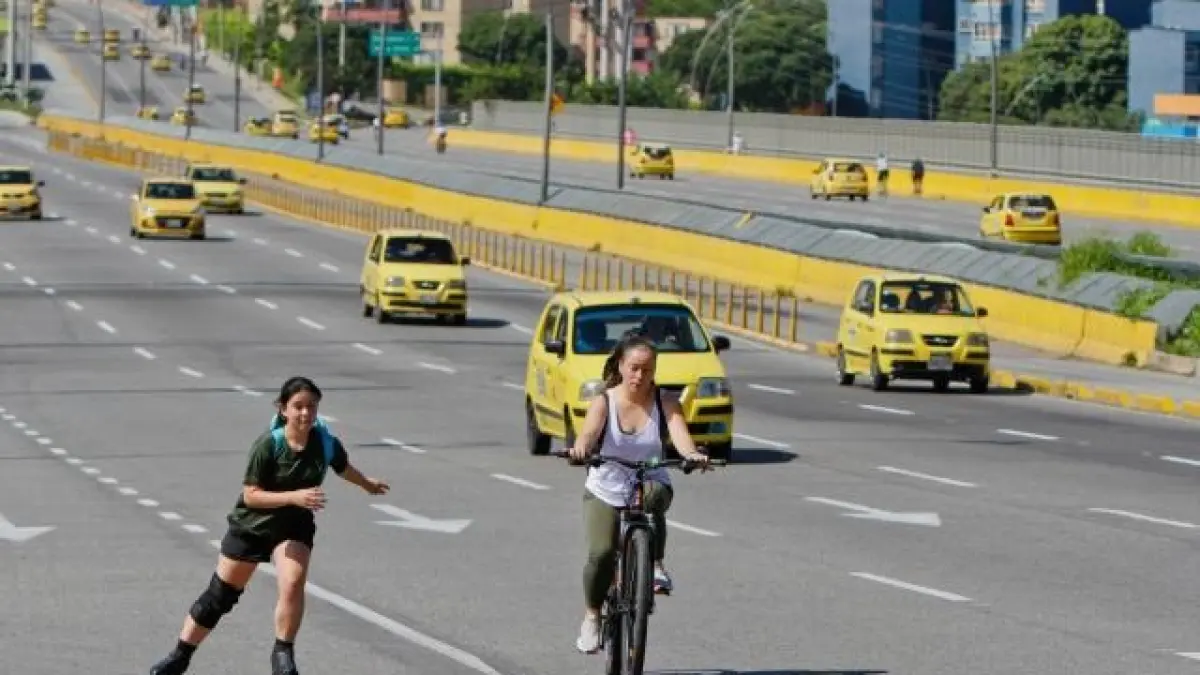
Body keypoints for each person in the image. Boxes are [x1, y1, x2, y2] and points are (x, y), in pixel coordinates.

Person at [147, 376, 390, 675]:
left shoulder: (326, 443)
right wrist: (295, 496)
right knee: (220, 596)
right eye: (298, 406)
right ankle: (180, 656)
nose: (305, 414)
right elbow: (251, 496)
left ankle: (283, 654)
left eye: (311, 407)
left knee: (292, 582)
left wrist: (366, 484)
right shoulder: (268, 445)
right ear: (283, 409)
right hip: (253, 525)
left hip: (293, 527)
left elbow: (343, 467)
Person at [566, 333, 712, 655]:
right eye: (634, 368)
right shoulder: (604, 401)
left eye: (647, 370)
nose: (640, 376)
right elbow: (589, 433)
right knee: (601, 554)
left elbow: (680, 435)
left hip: (648, 478)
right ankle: (591, 615)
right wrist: (581, 449)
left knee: (655, 496)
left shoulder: (665, 402)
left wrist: (692, 455)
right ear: (621, 365)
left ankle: (655, 563)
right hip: (606, 485)